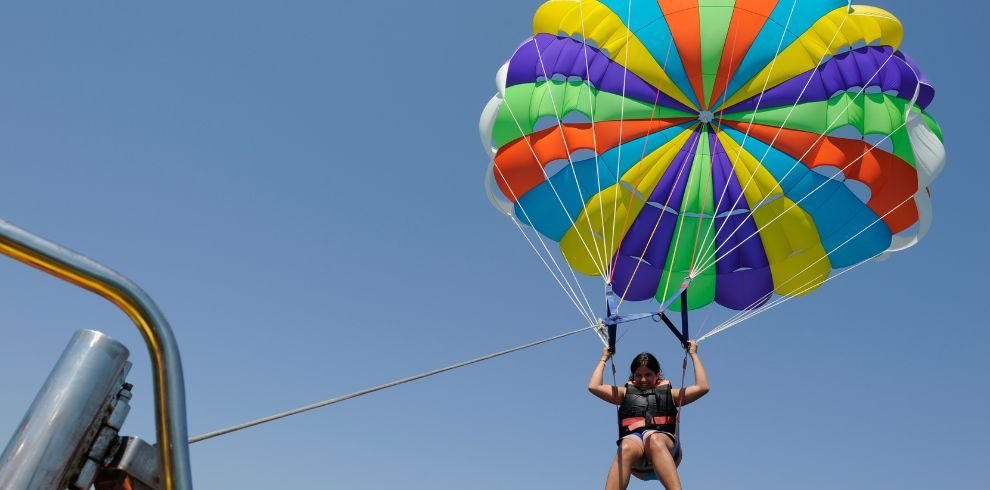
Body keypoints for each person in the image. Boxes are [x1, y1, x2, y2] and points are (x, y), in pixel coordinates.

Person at [588, 341, 709, 490]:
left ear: (657, 374)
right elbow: (594, 386)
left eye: (648, 375)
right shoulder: (624, 394)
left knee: (652, 438)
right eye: (638, 375)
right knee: (625, 446)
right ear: (633, 376)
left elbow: (703, 387)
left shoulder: (671, 394)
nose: (643, 380)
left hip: (666, 451)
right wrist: (604, 358)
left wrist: (694, 354)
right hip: (637, 461)